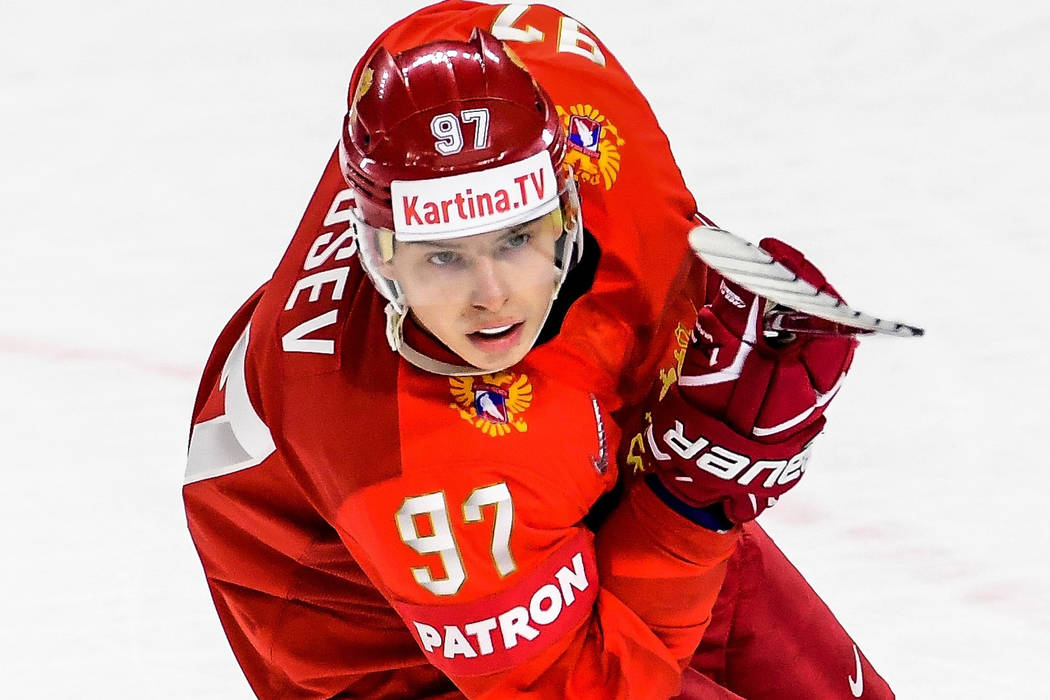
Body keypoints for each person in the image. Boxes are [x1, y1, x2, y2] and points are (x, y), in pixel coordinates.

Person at [184, 2, 893, 698]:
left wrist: (736, 314)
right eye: (443, 258)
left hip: (557, 473)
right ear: (383, 255)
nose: (491, 294)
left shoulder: (524, 84)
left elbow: (441, 37)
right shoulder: (419, 471)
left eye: (516, 239)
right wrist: (697, 497)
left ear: (565, 206)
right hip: (389, 635)